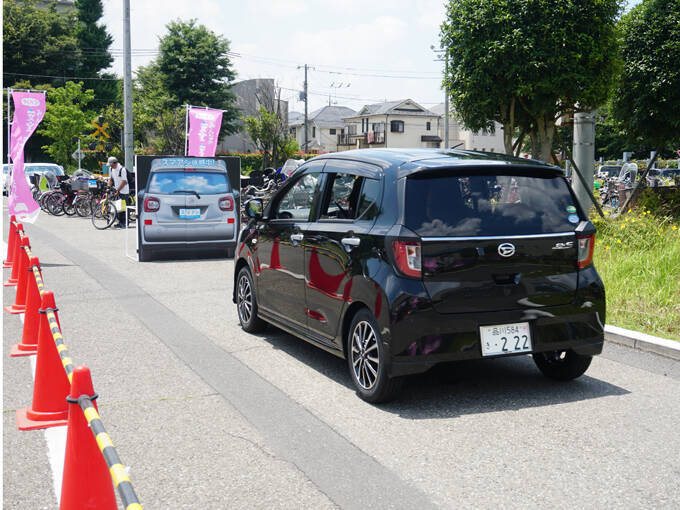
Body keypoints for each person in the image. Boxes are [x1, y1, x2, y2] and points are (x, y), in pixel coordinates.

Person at [107, 156, 129, 228]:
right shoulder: (111, 169)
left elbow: (124, 182)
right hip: (117, 190)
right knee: (118, 208)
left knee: (123, 208)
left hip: (124, 191)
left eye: (111, 164)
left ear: (115, 163)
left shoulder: (122, 169)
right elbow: (110, 179)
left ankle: (125, 223)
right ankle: (120, 222)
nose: (110, 166)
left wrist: (118, 191)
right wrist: (108, 188)